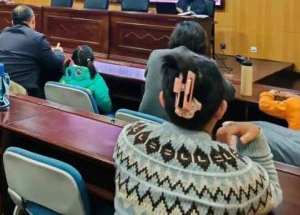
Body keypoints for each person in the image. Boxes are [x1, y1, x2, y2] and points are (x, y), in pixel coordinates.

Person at [113, 48, 282, 214]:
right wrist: (256, 137)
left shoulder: (129, 138)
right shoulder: (240, 178)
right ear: (221, 109)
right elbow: (272, 195)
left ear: (162, 100)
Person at [139, 20, 235, 120]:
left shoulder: (156, 55)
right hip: (178, 126)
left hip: (143, 120)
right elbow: (229, 92)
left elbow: (147, 77)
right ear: (202, 43)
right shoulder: (207, 63)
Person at [0, 5, 64, 97]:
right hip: (22, 94)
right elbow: (57, 63)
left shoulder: (4, 33)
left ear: (12, 22)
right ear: (33, 20)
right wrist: (59, 52)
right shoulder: (37, 38)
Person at [60, 45, 112, 114]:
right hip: (89, 117)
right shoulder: (97, 79)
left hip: (68, 114)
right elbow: (106, 106)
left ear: (72, 60)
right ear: (92, 61)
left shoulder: (65, 77)